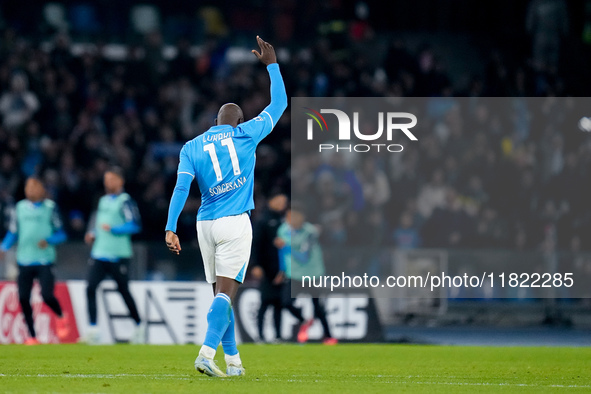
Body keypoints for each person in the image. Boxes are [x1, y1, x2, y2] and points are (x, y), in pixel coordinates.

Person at [165, 36, 287, 377]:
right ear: (236, 121)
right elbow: (279, 104)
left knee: (222, 295)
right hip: (234, 222)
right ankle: (206, 353)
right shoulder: (246, 133)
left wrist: (170, 226)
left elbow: (180, 187)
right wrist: (272, 65)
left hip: (205, 224)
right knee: (227, 294)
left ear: (216, 120)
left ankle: (233, 363)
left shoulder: (191, 146)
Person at [0, 177, 69, 344]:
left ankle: (61, 315)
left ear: (42, 189)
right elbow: (13, 232)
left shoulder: (50, 208)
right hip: (24, 260)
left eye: (34, 186)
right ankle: (32, 336)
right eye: (28, 186)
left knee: (46, 295)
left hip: (45, 260)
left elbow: (62, 234)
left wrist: (49, 240)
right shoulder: (19, 208)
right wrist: (3, 247)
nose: (30, 189)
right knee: (23, 298)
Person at [84, 167, 143, 344]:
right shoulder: (102, 201)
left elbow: (135, 225)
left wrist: (115, 229)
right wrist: (93, 233)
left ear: (120, 181)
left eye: (111, 179)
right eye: (106, 179)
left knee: (123, 291)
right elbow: (100, 224)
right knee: (90, 287)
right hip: (99, 253)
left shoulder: (125, 201)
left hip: (118, 254)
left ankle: (139, 326)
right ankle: (93, 330)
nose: (107, 182)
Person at [275, 203, 338, 345]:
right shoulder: (283, 230)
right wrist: (282, 270)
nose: (291, 219)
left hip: (313, 273)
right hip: (294, 274)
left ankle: (329, 336)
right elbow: (283, 254)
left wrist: (286, 245)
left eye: (295, 216)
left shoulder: (310, 232)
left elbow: (304, 257)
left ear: (302, 217)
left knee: (318, 306)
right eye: (289, 216)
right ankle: (304, 320)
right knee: (286, 302)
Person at [251, 193, 288, 343]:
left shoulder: (284, 220)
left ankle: (278, 335)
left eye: (284, 201)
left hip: (280, 268)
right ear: (271, 200)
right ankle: (259, 335)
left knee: (278, 303)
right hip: (266, 268)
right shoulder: (263, 220)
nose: (282, 204)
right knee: (265, 302)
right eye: (279, 200)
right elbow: (256, 243)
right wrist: (255, 265)